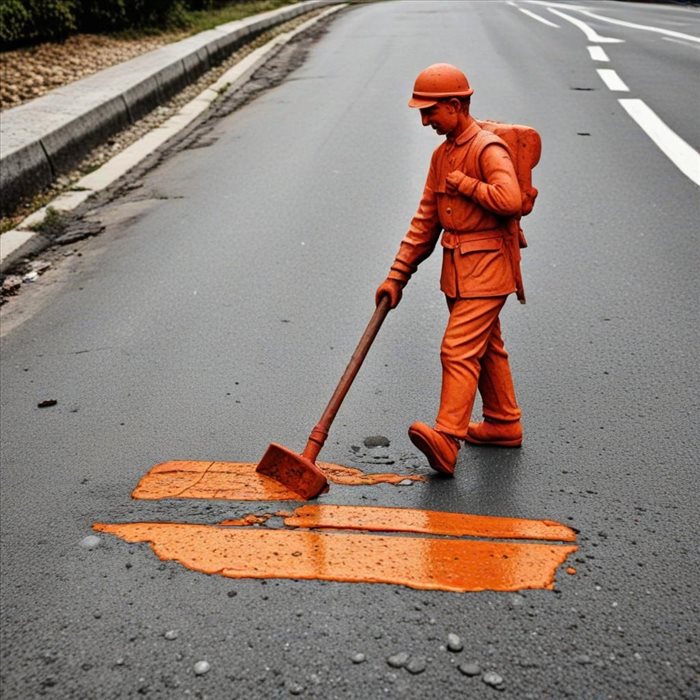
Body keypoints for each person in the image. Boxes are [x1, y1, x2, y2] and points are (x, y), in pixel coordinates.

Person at [375, 63, 524, 476]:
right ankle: (502, 422)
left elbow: (509, 199)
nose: (425, 122)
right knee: (486, 347)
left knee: (457, 349)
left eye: (430, 112)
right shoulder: (441, 156)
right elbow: (426, 221)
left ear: (455, 105)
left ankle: (448, 437)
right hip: (458, 271)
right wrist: (397, 275)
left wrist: (467, 186)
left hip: (489, 268)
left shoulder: (488, 149)